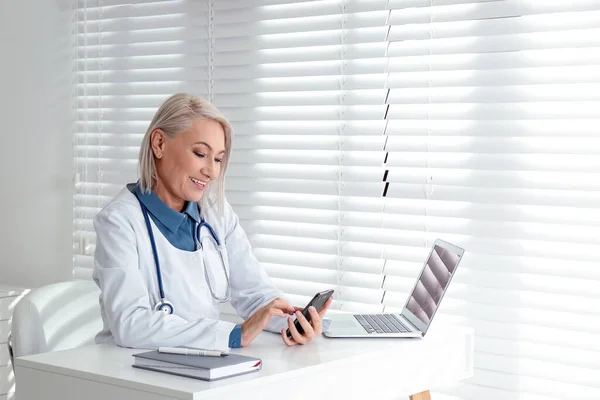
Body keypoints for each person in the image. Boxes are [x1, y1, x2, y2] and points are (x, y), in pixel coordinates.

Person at [93, 93, 332, 351]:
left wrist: (293, 321)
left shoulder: (216, 213)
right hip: (127, 370)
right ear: (159, 143)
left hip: (200, 367)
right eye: (200, 153)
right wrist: (234, 335)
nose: (212, 171)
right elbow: (131, 324)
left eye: (218, 159)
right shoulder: (119, 221)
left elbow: (255, 295)